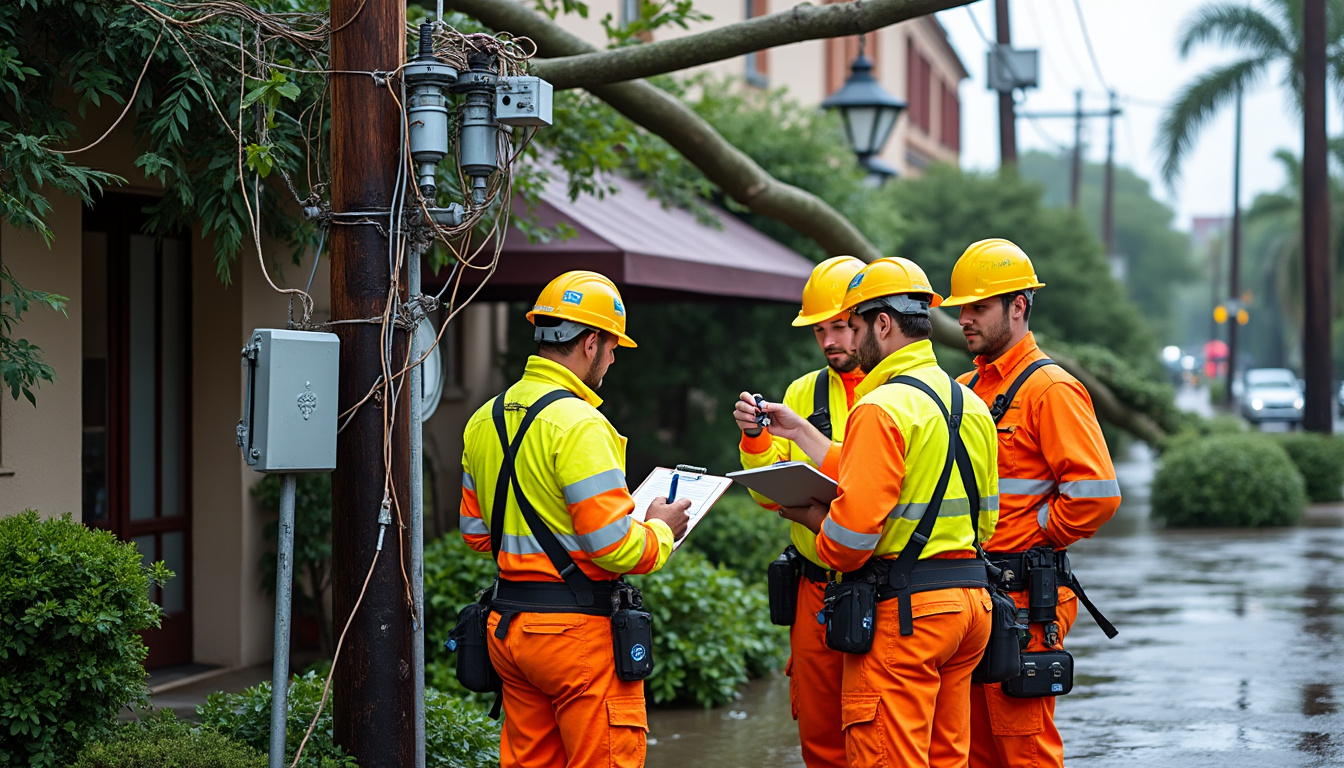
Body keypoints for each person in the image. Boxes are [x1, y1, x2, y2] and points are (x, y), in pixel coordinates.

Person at [736, 257, 1000, 768]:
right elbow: (984, 522)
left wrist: (812, 517)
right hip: (970, 606)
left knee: (885, 756)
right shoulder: (968, 401)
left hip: (905, 613)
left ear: (882, 323)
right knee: (946, 757)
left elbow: (850, 545)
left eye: (853, 325)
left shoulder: (881, 407)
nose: (849, 340)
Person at [459, 270, 691, 768]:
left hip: (510, 630)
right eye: (612, 348)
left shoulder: (484, 418)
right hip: (576, 638)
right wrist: (661, 530)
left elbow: (477, 535)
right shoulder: (582, 425)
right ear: (590, 342)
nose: (611, 360)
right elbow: (616, 548)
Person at [940, 238, 1122, 768]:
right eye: (961, 309)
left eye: (978, 307)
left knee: (1023, 747)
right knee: (971, 749)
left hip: (1027, 596)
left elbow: (1097, 495)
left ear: (1018, 306)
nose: (965, 320)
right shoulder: (963, 387)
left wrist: (1036, 532)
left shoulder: (1051, 389)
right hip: (972, 595)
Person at [735, 255, 866, 768]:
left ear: (871, 321)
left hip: (884, 583)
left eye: (839, 326)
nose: (830, 340)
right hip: (815, 587)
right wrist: (755, 440)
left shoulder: (900, 390)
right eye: (820, 330)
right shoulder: (802, 392)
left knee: (884, 733)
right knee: (820, 735)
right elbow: (770, 495)